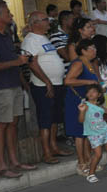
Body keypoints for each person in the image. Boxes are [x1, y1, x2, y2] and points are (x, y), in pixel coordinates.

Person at [0, 2, 33, 177]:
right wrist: (16, 62)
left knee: (13, 124)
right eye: (7, 13)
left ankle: (14, 161)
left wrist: (21, 73)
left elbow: (11, 60)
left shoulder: (7, 34)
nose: (11, 15)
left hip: (13, 85)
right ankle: (2, 166)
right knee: (1, 125)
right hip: (0, 88)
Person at [22, 11, 73, 164]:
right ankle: (46, 152)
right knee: (45, 119)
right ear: (35, 23)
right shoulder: (30, 39)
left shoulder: (44, 37)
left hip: (56, 83)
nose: (49, 22)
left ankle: (53, 147)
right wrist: (47, 82)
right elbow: (32, 63)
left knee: (54, 119)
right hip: (43, 85)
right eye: (46, 20)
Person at [64, 38, 99, 174]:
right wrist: (88, 81)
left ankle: (88, 159)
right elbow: (68, 80)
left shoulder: (88, 63)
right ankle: (81, 163)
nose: (94, 50)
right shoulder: (78, 63)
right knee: (79, 133)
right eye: (91, 48)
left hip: (86, 101)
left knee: (86, 132)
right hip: (76, 102)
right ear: (83, 50)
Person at [77, 84, 107, 183]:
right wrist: (81, 112)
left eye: (93, 91)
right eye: (88, 92)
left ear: (99, 95)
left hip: (105, 131)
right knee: (98, 154)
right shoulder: (85, 106)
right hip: (93, 134)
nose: (90, 93)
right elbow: (81, 120)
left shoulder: (99, 106)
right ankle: (91, 174)